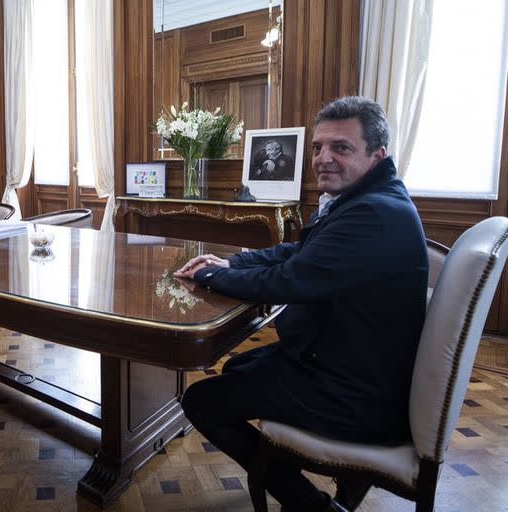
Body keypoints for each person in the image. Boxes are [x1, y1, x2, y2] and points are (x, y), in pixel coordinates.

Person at [174, 96, 428, 512]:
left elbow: (289, 280)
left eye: (340, 147)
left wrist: (207, 276)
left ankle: (312, 505)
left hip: (356, 396)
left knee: (202, 400)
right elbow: (298, 252)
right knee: (237, 368)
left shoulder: (373, 214)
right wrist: (231, 261)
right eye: (317, 147)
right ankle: (322, 477)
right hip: (351, 365)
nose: (323, 158)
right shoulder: (369, 198)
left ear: (377, 154)